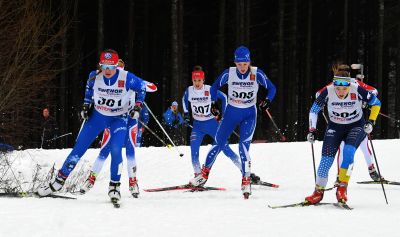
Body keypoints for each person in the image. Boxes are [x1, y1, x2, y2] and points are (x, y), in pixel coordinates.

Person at [38, 49, 147, 204]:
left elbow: (142, 87)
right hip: (98, 117)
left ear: (117, 66)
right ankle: (58, 182)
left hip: (118, 118)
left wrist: (137, 106)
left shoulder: (126, 77)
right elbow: (89, 91)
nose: (107, 70)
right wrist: (86, 105)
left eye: (111, 67)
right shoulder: (94, 76)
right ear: (100, 65)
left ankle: (114, 186)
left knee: (116, 149)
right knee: (79, 149)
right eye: (104, 66)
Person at [189, 46, 277, 199]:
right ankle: (204, 174)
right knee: (218, 142)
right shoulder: (229, 73)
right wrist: (213, 103)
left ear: (249, 62)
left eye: (245, 64)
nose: (242, 67)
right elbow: (215, 87)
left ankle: (246, 180)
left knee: (244, 147)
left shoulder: (256, 73)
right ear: (235, 63)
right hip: (231, 113)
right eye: (239, 64)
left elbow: (272, 88)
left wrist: (268, 100)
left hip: (249, 115)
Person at [80, 59, 157, 198]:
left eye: (120, 69)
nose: (118, 72)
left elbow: (152, 87)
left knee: (130, 152)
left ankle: (133, 183)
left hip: (131, 120)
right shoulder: (107, 80)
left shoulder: (129, 79)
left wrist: (141, 83)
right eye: (117, 69)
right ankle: (91, 180)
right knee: (104, 151)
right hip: (114, 119)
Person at [305, 64, 381, 205]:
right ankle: (318, 192)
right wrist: (312, 129)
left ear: (349, 85)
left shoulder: (356, 88)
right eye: (337, 88)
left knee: (348, 152)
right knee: (325, 162)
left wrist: (371, 122)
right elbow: (314, 110)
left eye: (344, 88)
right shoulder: (328, 90)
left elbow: (376, 103)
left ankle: (342, 188)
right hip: (335, 127)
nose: (340, 91)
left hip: (356, 126)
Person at [182, 66, 242, 178]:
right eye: (195, 80)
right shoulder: (189, 91)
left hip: (212, 124)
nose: (197, 83)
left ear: (203, 80)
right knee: (194, 152)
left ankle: (244, 171)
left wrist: (224, 115)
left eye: (199, 80)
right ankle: (198, 176)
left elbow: (224, 97)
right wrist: (186, 113)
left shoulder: (209, 89)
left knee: (226, 148)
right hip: (197, 126)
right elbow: (184, 100)